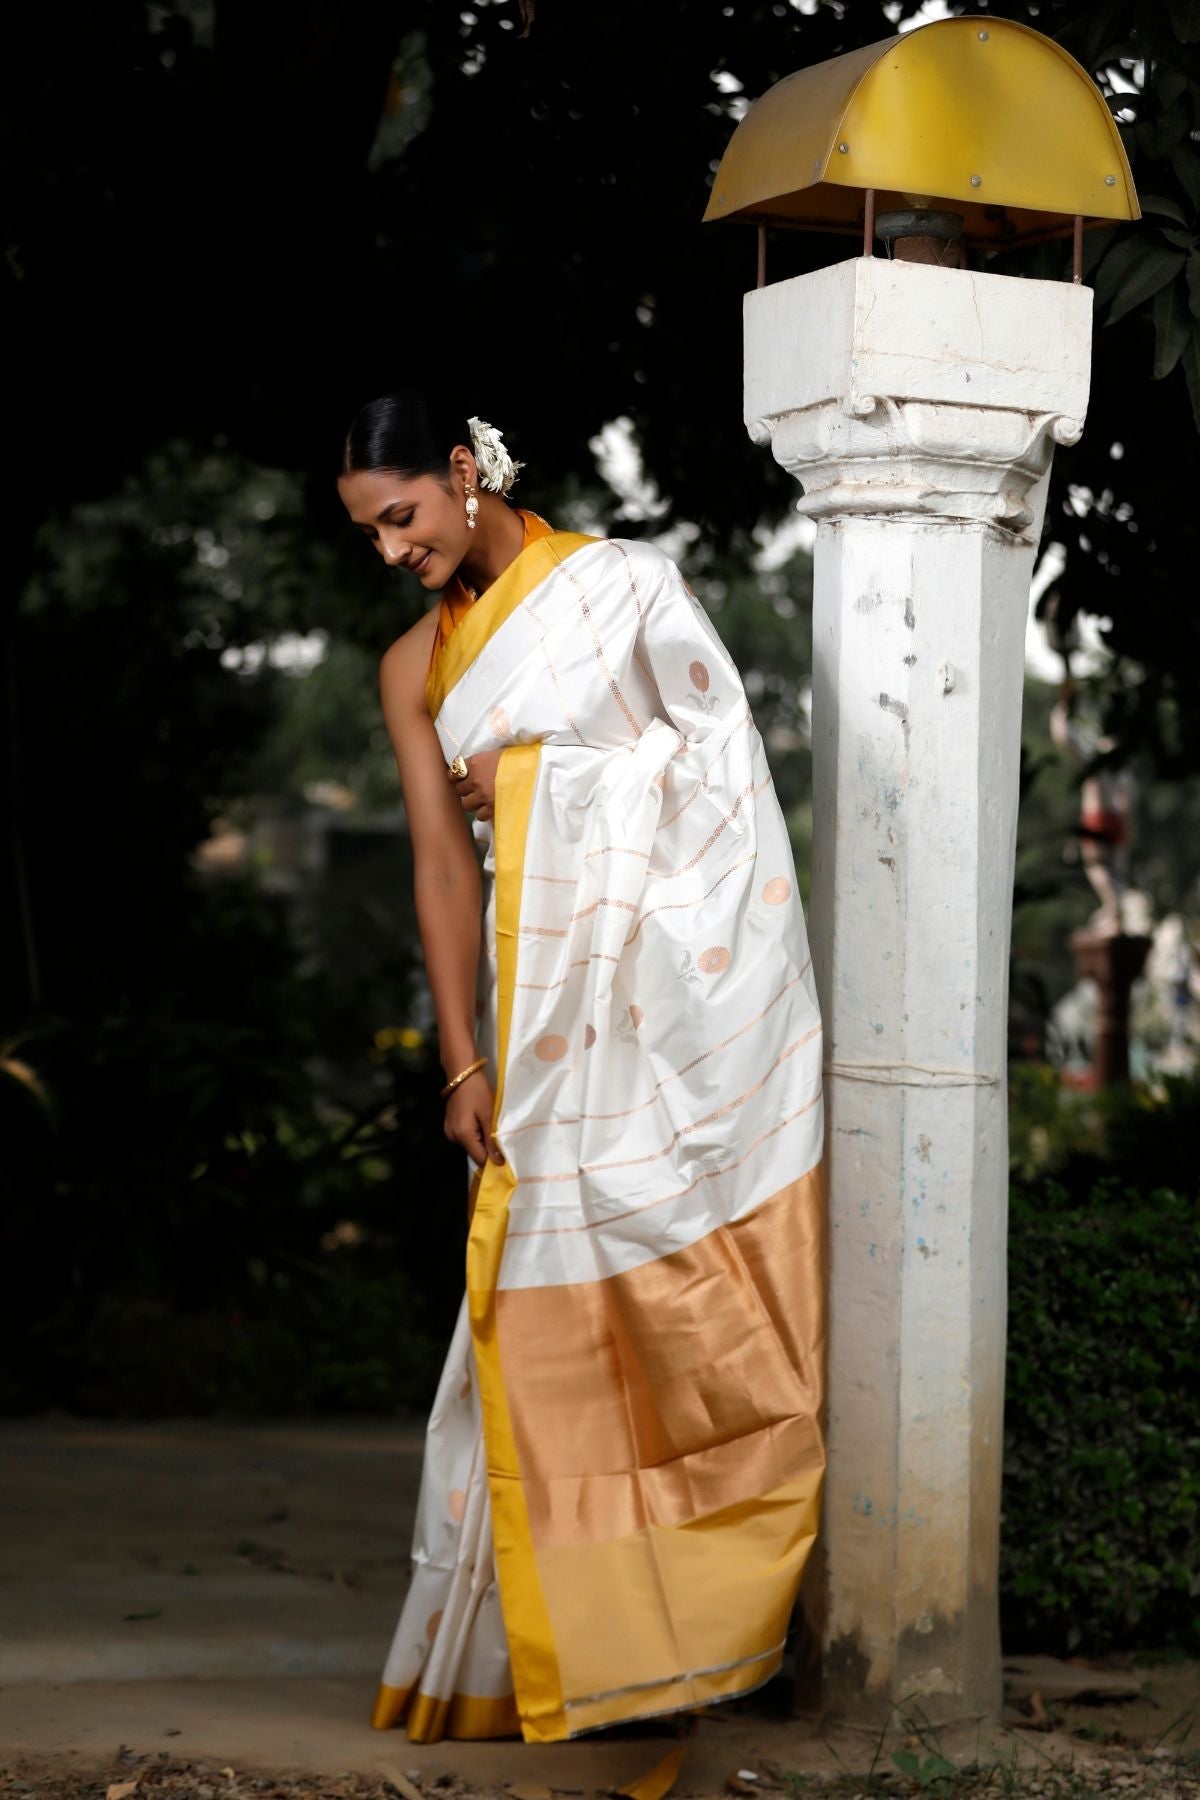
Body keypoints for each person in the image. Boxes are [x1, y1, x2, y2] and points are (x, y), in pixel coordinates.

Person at [337, 391, 826, 1747]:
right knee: (536, 1309)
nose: (391, 550)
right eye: (369, 535)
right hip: (540, 1020)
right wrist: (459, 1060)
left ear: (459, 472)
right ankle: (555, 1652)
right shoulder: (409, 672)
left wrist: (548, 777)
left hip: (669, 1013)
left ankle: (712, 1635)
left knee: (684, 1304)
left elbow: (721, 768)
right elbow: (443, 868)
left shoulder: (623, 587)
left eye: (403, 518)